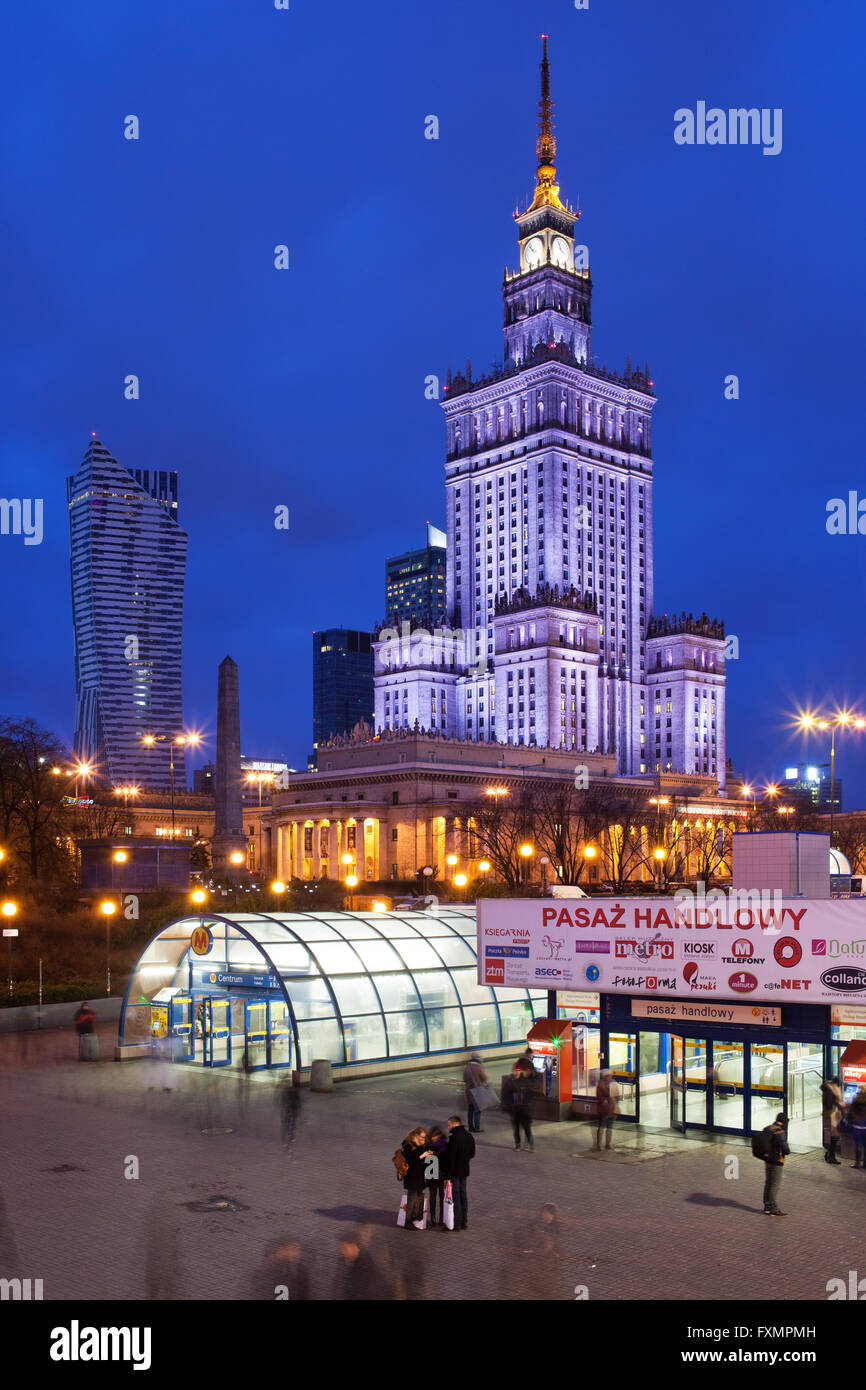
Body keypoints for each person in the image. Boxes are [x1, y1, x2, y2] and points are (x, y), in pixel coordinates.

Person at [445, 1114, 476, 1231]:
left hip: (454, 1172)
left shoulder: (454, 1138)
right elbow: (472, 1153)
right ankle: (464, 1221)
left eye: (449, 1125)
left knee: (456, 1196)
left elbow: (451, 1159)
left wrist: (448, 1175)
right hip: (465, 1170)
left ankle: (457, 1223)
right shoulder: (469, 1136)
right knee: (464, 1195)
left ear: (455, 1124)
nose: (448, 1127)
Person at [401, 1126, 432, 1230]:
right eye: (422, 1137)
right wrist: (422, 1156)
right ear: (416, 1135)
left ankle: (415, 1217)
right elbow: (411, 1162)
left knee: (418, 1196)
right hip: (411, 1176)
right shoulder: (408, 1145)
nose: (424, 1139)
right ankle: (407, 1221)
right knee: (412, 1198)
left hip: (419, 1175)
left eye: (425, 1137)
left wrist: (428, 1153)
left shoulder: (422, 1144)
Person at [762, 1112, 790, 1216]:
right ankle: (774, 1208)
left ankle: (767, 1206)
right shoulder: (780, 1132)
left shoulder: (768, 1128)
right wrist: (788, 1151)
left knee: (768, 1182)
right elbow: (785, 1148)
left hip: (767, 1159)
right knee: (775, 1184)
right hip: (777, 1161)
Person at [506, 1061, 535, 1151]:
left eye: (518, 1070)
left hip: (524, 1109)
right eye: (515, 1070)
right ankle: (517, 1144)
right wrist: (508, 1107)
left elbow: (530, 1094)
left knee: (527, 1128)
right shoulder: (509, 1081)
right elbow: (506, 1095)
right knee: (517, 1129)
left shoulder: (525, 1081)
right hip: (515, 1109)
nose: (517, 1072)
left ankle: (531, 1145)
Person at [426, 1125, 448, 1227]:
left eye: (434, 1136)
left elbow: (448, 1161)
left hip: (442, 1174)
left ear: (439, 1135)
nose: (432, 1138)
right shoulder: (428, 1145)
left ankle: (441, 1218)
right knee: (433, 1196)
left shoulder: (445, 1145)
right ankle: (433, 1218)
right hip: (431, 1173)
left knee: (442, 1196)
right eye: (431, 1136)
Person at [821, 1075, 844, 1165]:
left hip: (830, 1115)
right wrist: (839, 1103)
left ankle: (830, 1155)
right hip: (831, 1115)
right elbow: (830, 1105)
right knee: (834, 1135)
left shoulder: (828, 1088)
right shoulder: (830, 1092)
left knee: (834, 1136)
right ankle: (831, 1156)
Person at [463, 1051, 488, 1133]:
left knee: (470, 1110)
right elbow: (484, 1078)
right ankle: (477, 1127)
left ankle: (470, 1127)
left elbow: (464, 1079)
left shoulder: (467, 1067)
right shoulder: (478, 1067)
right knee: (478, 1110)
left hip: (469, 1092)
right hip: (477, 1092)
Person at [595, 1069, 619, 1150]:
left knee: (610, 1127)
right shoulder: (600, 1085)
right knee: (602, 1126)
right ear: (605, 1076)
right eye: (609, 1075)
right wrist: (607, 1098)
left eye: (610, 1075)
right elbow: (599, 1097)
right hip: (604, 1109)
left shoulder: (613, 1083)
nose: (610, 1077)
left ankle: (608, 1144)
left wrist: (615, 1102)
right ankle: (599, 1145)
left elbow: (616, 1095)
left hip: (612, 1108)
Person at [849, 1086, 866, 1169]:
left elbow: (851, 1112)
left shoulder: (856, 1099)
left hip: (856, 1127)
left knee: (857, 1145)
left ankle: (857, 1163)